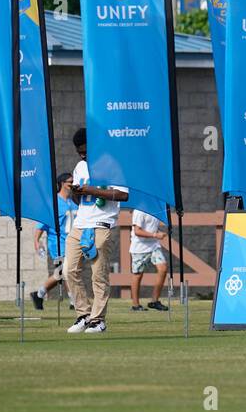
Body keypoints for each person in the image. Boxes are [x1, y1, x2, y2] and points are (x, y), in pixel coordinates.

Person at [66, 128, 128, 334]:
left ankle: (98, 320)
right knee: (69, 270)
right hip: (80, 223)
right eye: (79, 152)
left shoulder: (111, 163)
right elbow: (78, 199)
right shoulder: (79, 166)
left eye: (85, 151)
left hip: (102, 223)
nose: (83, 156)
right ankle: (83, 315)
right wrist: (75, 192)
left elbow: (123, 195)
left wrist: (92, 190)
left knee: (98, 274)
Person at [31, 172, 77, 311]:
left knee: (60, 273)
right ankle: (73, 301)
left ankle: (39, 294)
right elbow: (41, 226)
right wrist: (36, 242)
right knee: (66, 270)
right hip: (57, 243)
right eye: (70, 182)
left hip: (72, 242)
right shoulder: (53, 203)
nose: (73, 184)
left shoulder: (73, 202)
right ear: (62, 183)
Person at [128, 207, 169, 312]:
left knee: (163, 268)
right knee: (137, 275)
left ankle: (155, 301)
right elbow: (137, 231)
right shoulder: (139, 211)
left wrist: (158, 233)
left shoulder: (156, 210)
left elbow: (151, 227)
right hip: (139, 248)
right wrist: (155, 235)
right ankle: (135, 305)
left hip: (154, 246)